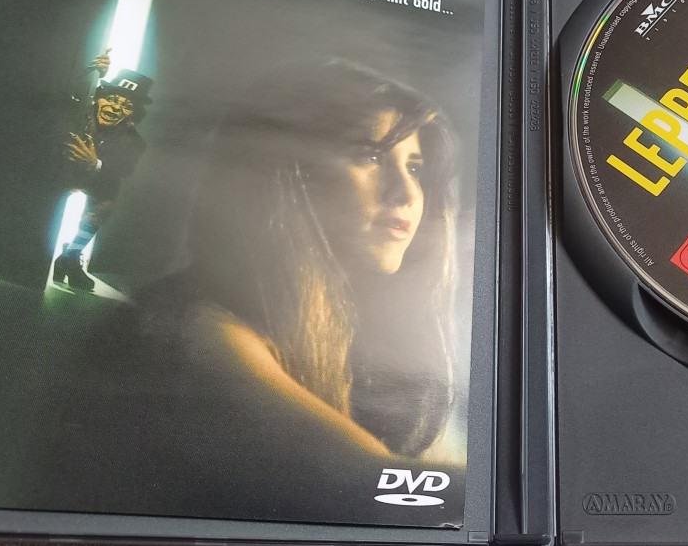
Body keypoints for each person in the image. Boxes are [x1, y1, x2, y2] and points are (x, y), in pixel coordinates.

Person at [150, 58, 460, 460]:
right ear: (290, 176)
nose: (406, 193)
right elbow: (376, 480)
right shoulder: (208, 330)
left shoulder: (361, 335)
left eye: (415, 168)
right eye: (369, 156)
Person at [54, 51, 153, 291]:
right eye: (111, 98)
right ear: (98, 98)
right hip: (58, 170)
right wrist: (92, 72)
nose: (115, 107)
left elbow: (124, 171)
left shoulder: (135, 142)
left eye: (126, 105)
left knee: (108, 197)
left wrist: (95, 164)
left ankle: (71, 255)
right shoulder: (83, 111)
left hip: (93, 177)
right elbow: (66, 94)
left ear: (132, 117)